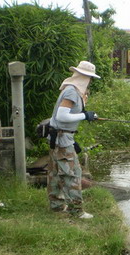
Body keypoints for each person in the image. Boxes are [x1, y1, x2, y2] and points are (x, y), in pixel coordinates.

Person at [47, 61, 100, 219]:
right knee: (73, 173)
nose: (90, 81)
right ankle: (76, 211)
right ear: (84, 77)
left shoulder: (73, 90)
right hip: (61, 137)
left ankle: (56, 205)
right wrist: (85, 116)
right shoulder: (71, 92)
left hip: (60, 136)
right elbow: (61, 116)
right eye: (89, 78)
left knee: (55, 173)